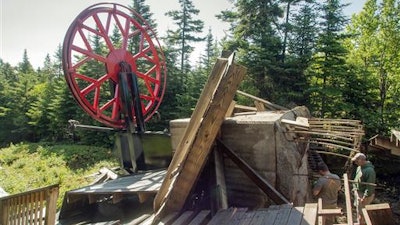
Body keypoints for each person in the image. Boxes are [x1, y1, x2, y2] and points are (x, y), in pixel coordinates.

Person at [352, 152, 376, 224]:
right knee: (359, 211)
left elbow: (370, 186)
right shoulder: (359, 167)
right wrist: (355, 189)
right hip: (359, 192)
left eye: (357, 161)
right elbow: (356, 179)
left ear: (362, 160)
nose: (355, 162)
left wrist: (365, 197)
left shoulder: (369, 171)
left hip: (364, 195)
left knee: (362, 213)